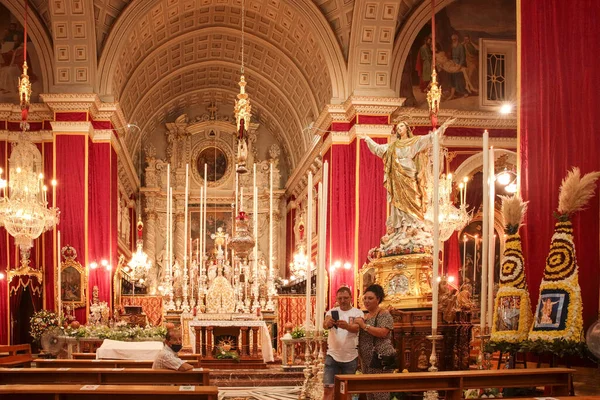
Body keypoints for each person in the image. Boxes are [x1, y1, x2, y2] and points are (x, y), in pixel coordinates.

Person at [361, 117, 455, 255]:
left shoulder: (414, 142)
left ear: (407, 129)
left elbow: (429, 139)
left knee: (414, 199)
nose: (399, 129)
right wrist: (368, 139)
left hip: (410, 174)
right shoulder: (392, 147)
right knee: (398, 203)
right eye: (398, 127)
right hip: (397, 177)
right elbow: (379, 149)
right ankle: (401, 227)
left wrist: (442, 128)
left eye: (402, 126)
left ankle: (413, 225)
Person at [355, 284, 396, 400]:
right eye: (365, 298)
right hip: (367, 360)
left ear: (378, 299)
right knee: (370, 392)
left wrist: (364, 326)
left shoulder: (384, 314)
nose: (366, 301)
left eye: (370, 298)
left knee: (380, 392)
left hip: (381, 358)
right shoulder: (366, 316)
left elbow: (383, 332)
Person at [322, 286, 363, 400]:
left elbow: (356, 328)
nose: (343, 301)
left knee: (346, 391)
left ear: (351, 298)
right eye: (340, 298)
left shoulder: (357, 312)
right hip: (332, 356)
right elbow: (325, 324)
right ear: (336, 299)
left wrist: (347, 326)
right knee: (328, 389)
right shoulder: (331, 312)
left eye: (345, 298)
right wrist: (328, 323)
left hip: (350, 357)